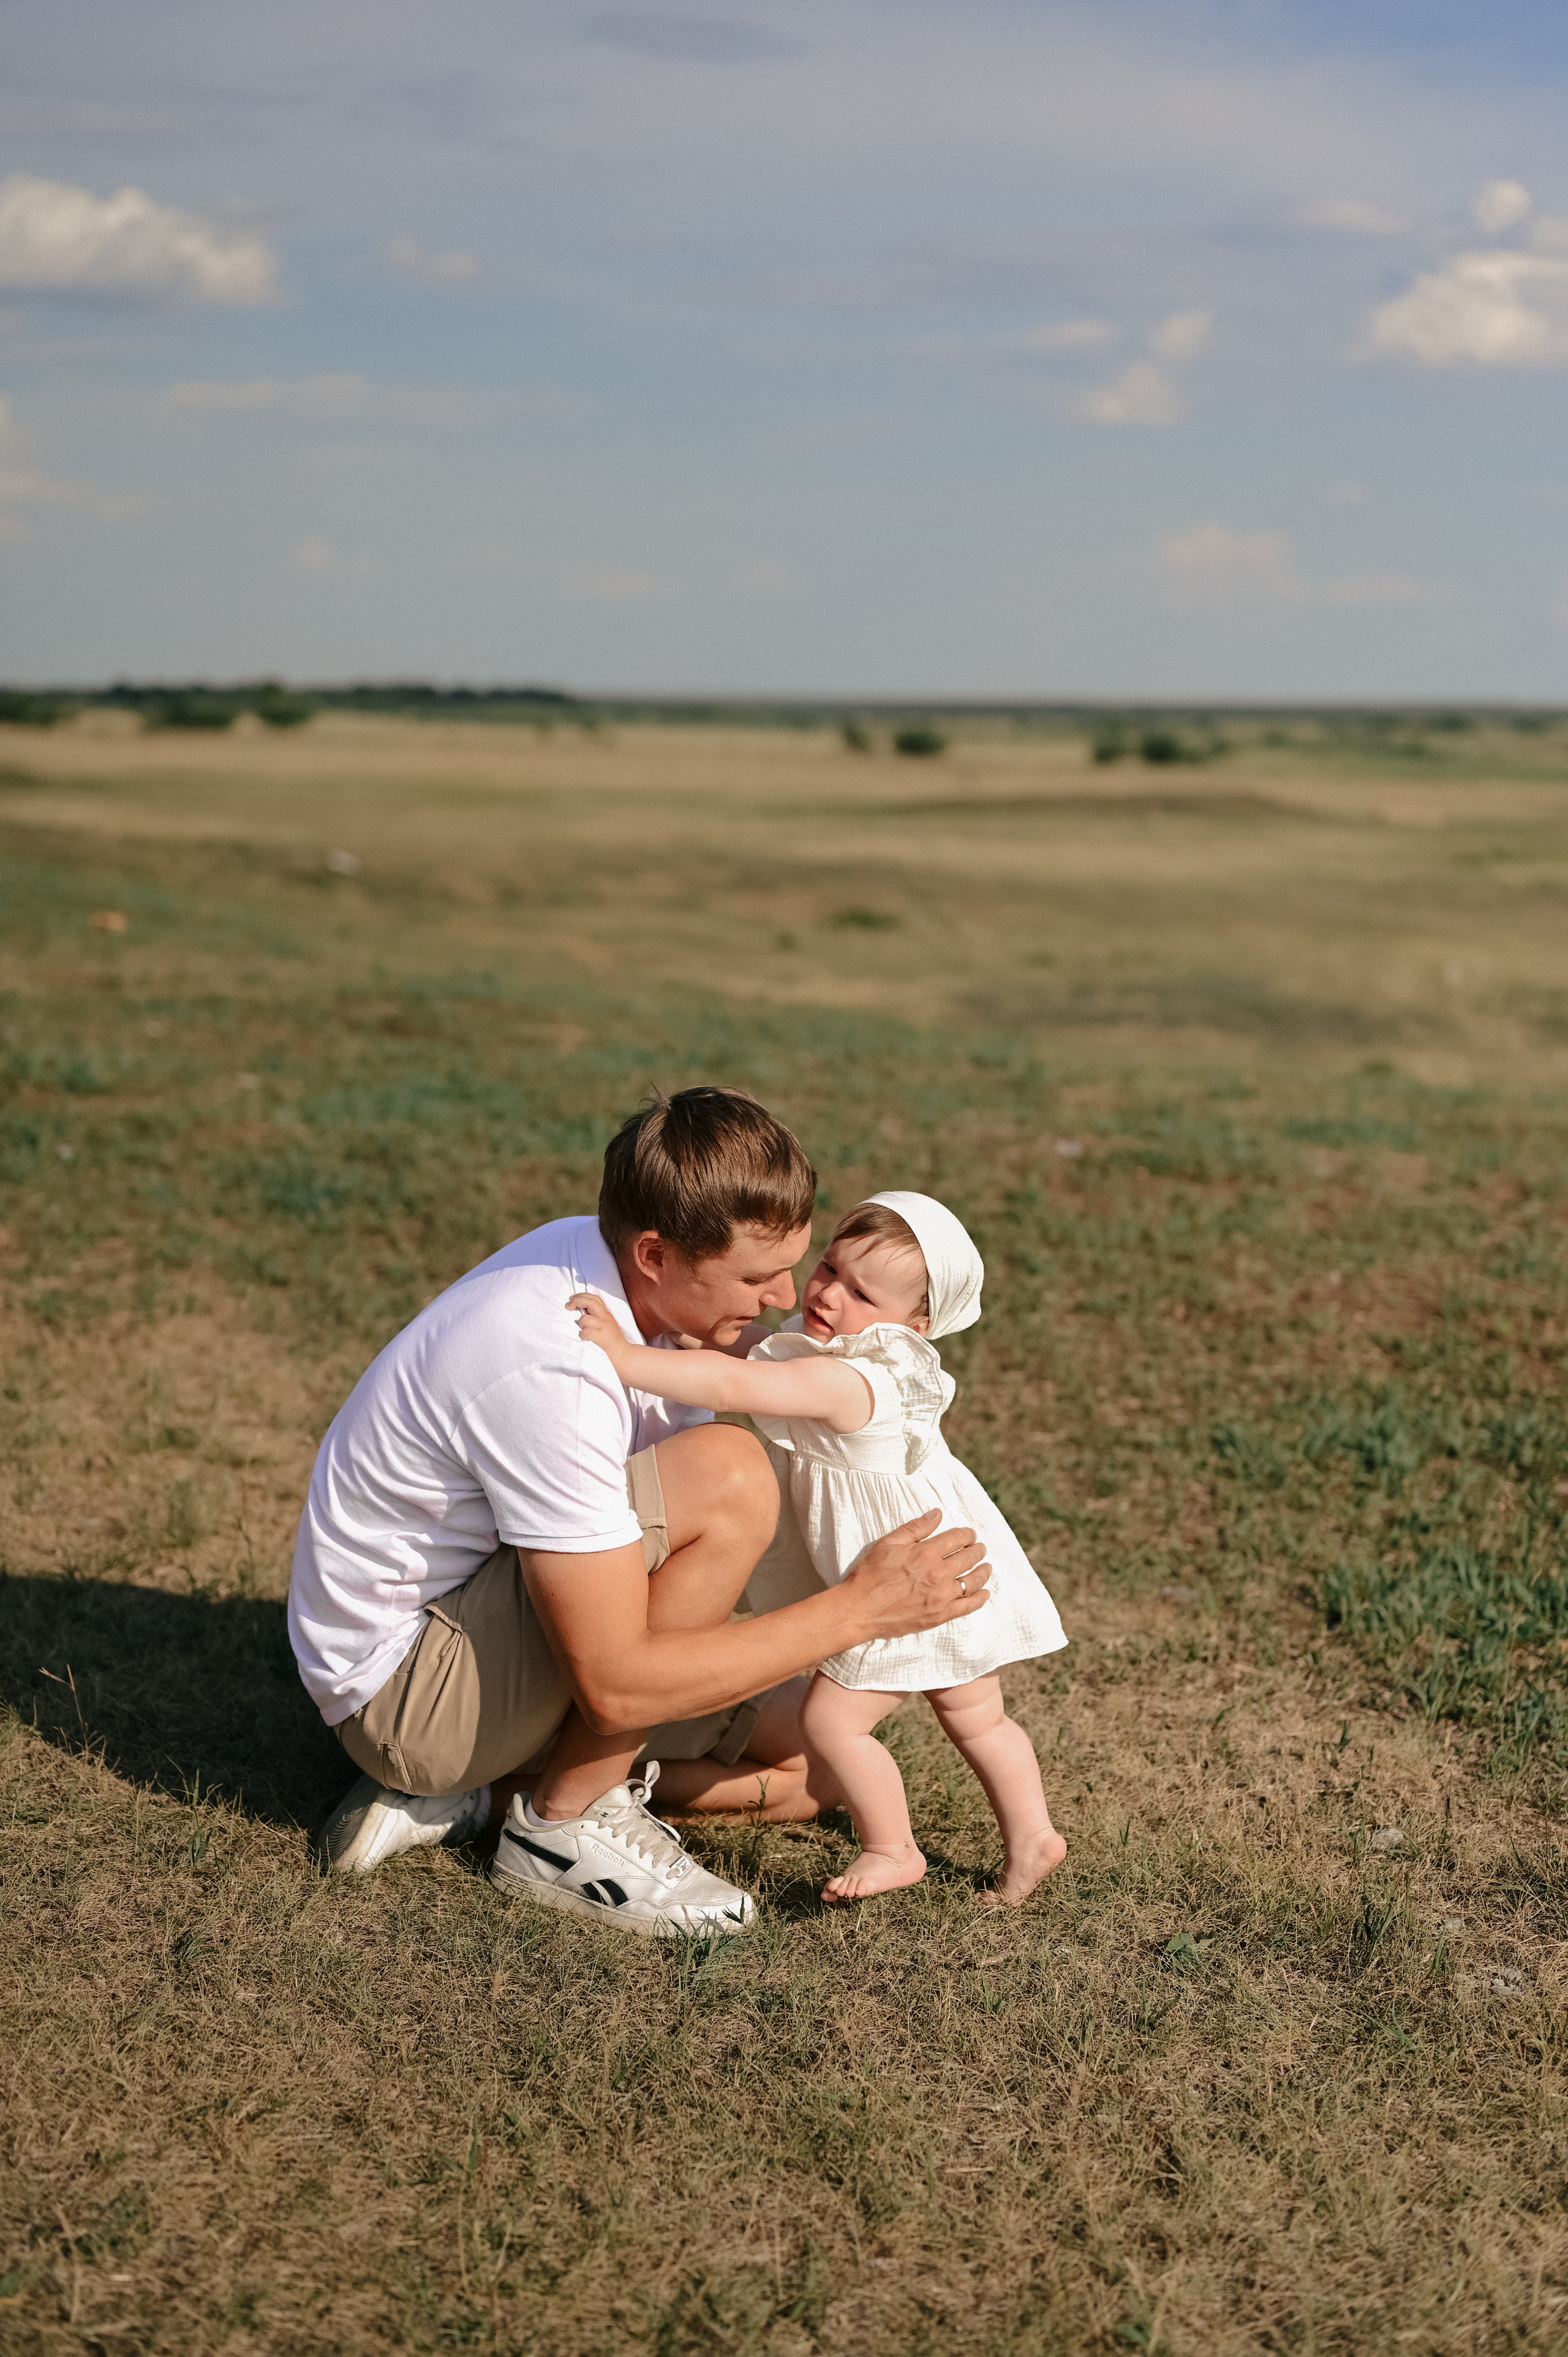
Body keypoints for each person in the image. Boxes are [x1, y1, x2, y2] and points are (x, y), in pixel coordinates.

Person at [289, 1088, 992, 1938]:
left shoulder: (621, 1272)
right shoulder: (555, 1363)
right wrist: (862, 1607)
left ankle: (492, 1798)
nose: (782, 1295)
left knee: (820, 1758)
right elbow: (617, 1682)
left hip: (495, 1610)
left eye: (792, 1263)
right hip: (410, 1693)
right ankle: (560, 1827)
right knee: (729, 1476)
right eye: (755, 1273)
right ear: (656, 1252)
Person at [570, 1190, 1068, 1907]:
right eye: (830, 1268)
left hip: (911, 1578)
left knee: (831, 1719)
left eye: (861, 1292)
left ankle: (893, 1848)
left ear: (917, 1325)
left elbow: (738, 1379)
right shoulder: (835, 1351)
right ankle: (1033, 1836)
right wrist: (684, 1332)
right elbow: (743, 1350)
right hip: (946, 1564)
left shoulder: (853, 1376)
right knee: (978, 1717)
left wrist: (624, 1358)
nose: (830, 1294)